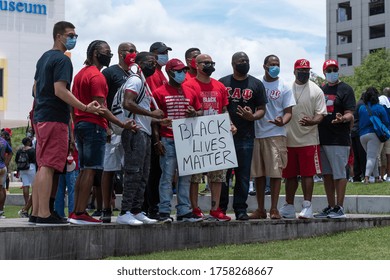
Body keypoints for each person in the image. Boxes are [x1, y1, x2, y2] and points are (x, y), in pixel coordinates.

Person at [31, 21, 102, 226]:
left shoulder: (43, 58)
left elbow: (35, 89)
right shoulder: (62, 60)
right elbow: (60, 90)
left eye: (75, 35)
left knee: (44, 165)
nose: (73, 39)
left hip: (42, 116)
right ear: (58, 36)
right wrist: (85, 107)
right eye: (70, 35)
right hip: (54, 117)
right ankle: (44, 213)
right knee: (49, 166)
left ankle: (38, 211)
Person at [69, 40, 136, 225]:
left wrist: (74, 127)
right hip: (93, 126)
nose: (109, 55)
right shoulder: (96, 77)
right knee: (90, 170)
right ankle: (80, 212)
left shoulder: (80, 74)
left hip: (81, 124)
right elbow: (102, 108)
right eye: (106, 52)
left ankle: (76, 211)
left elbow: (73, 105)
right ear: (95, 53)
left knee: (84, 170)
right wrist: (120, 124)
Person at [116, 52, 167, 225]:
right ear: (139, 63)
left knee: (143, 174)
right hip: (134, 132)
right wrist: (151, 113)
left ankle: (136, 209)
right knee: (133, 172)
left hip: (143, 131)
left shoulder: (144, 84)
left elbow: (142, 112)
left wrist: (157, 119)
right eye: (149, 62)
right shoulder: (136, 80)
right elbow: (127, 103)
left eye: (154, 62)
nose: (153, 65)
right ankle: (125, 211)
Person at [184, 54, 236, 221]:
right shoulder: (188, 85)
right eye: (206, 63)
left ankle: (215, 209)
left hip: (216, 135)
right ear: (196, 65)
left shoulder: (219, 86)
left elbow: (224, 110)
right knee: (195, 176)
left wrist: (230, 124)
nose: (210, 65)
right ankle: (195, 208)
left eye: (212, 63)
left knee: (218, 175)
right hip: (196, 134)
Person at [153, 58, 204, 222]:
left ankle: (183, 210)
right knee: (167, 177)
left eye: (184, 70)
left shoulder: (190, 91)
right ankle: (164, 210)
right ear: (169, 72)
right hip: (167, 139)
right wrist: (157, 140)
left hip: (186, 140)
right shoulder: (159, 93)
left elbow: (200, 111)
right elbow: (153, 119)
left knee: (185, 177)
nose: (183, 73)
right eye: (179, 70)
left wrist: (194, 114)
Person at [218, 52, 267, 219]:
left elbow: (262, 109)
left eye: (246, 60)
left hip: (246, 136)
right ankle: (221, 208)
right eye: (241, 61)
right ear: (233, 63)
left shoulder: (256, 84)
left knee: (243, 176)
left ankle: (240, 209)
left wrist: (252, 116)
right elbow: (217, 107)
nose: (244, 63)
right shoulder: (222, 83)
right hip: (224, 136)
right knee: (223, 175)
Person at [279, 59, 327, 219]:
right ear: (294, 71)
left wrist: (312, 121)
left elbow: (321, 114)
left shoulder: (316, 90)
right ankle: (289, 205)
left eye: (307, 70)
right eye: (301, 70)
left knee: (308, 174)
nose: (304, 73)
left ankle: (307, 206)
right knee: (289, 175)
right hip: (289, 138)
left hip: (309, 139)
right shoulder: (286, 88)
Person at [249, 54, 295, 219]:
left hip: (276, 134)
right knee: (259, 174)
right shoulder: (256, 84)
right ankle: (260, 209)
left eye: (278, 64)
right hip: (257, 134)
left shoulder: (284, 85)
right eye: (272, 64)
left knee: (275, 173)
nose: (275, 67)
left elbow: (289, 112)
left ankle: (274, 209)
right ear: (264, 66)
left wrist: (282, 121)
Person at [100, 42, 137, 223]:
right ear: (121, 53)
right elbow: (101, 100)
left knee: (131, 168)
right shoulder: (109, 73)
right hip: (114, 127)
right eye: (130, 51)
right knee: (109, 169)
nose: (133, 54)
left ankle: (129, 208)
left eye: (135, 50)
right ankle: (106, 206)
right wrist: (106, 125)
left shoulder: (135, 74)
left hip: (132, 127)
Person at [315, 59, 356, 219]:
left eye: (335, 69)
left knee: (339, 174)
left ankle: (340, 208)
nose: (332, 72)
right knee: (327, 174)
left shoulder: (346, 89)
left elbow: (350, 112)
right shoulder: (321, 90)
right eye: (329, 70)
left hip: (339, 139)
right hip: (323, 137)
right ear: (324, 72)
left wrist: (343, 118)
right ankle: (331, 206)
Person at [143, 42, 171, 220]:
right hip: (153, 127)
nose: (164, 56)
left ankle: (153, 206)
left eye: (166, 53)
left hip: (160, 126)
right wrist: (156, 138)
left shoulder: (161, 74)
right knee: (152, 172)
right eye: (161, 53)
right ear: (153, 54)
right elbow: (154, 106)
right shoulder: (152, 74)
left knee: (158, 172)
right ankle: (150, 207)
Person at [359, 87, 390, 184]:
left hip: (362, 136)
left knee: (373, 156)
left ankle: (377, 177)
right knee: (371, 157)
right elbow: (386, 122)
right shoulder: (379, 108)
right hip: (374, 135)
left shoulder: (362, 108)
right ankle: (367, 177)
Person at [15, 137, 36, 217]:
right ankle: (31, 204)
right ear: (28, 142)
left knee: (25, 185)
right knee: (35, 186)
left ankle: (26, 202)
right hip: (31, 167)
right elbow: (35, 159)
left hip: (22, 168)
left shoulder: (20, 150)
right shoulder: (32, 150)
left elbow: (17, 160)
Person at [350, 93, 367, 183]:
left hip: (353, 132)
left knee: (356, 155)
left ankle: (356, 176)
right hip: (360, 131)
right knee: (362, 155)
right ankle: (364, 174)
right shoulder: (363, 105)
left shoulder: (357, 104)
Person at [0, 132, 12, 219]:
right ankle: (0, 211)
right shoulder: (4, 141)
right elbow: (10, 152)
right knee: (1, 189)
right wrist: (6, 163)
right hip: (3, 167)